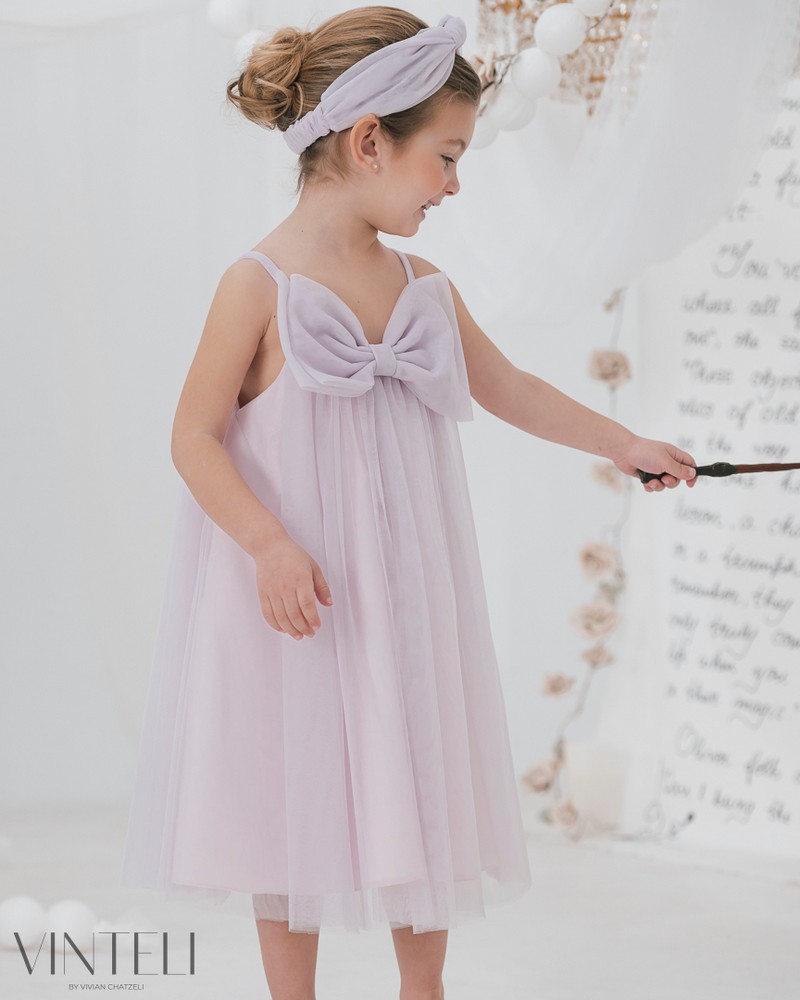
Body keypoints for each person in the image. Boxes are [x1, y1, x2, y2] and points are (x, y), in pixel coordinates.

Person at [120, 7, 697, 1000]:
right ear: (368, 142)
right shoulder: (255, 285)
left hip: (401, 596)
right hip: (300, 598)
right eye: (447, 158)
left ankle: (421, 990)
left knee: (417, 775)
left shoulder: (421, 284)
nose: (454, 185)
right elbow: (192, 436)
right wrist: (267, 544)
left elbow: (509, 388)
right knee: (289, 791)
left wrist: (624, 443)